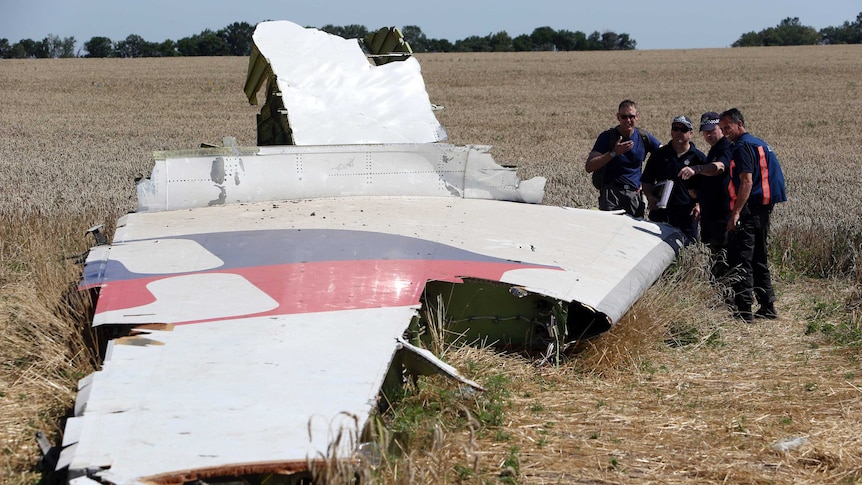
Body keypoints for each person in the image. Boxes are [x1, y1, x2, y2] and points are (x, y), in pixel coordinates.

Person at [718, 108, 787, 321]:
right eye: (721, 128)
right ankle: (767, 306)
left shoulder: (741, 147)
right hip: (764, 209)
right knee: (759, 257)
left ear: (739, 124)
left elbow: (746, 181)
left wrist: (736, 212)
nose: (724, 132)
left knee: (742, 259)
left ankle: (744, 310)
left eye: (727, 127)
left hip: (749, 208)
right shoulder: (760, 143)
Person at [678, 112, 734, 280]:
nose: (709, 134)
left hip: (723, 216)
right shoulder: (714, 150)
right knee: (717, 258)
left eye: (713, 129)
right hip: (712, 216)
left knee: (725, 260)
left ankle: (728, 299)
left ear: (722, 129)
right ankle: (720, 296)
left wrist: (698, 169)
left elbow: (720, 168)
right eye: (705, 131)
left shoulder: (726, 148)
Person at [585, 100, 661, 217]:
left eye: (631, 116)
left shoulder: (644, 137)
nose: (628, 120)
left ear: (637, 117)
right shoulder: (607, 137)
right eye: (624, 117)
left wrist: (647, 182)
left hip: (634, 195)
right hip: (611, 194)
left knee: (633, 233)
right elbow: (589, 166)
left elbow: (664, 155)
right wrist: (613, 153)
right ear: (618, 117)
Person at [641, 115, 705, 243]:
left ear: (691, 133)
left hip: (687, 216)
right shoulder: (659, 155)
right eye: (675, 129)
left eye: (683, 130)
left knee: (687, 250)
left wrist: (699, 205)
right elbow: (647, 181)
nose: (678, 133)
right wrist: (649, 196)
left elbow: (707, 187)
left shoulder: (699, 158)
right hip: (660, 213)